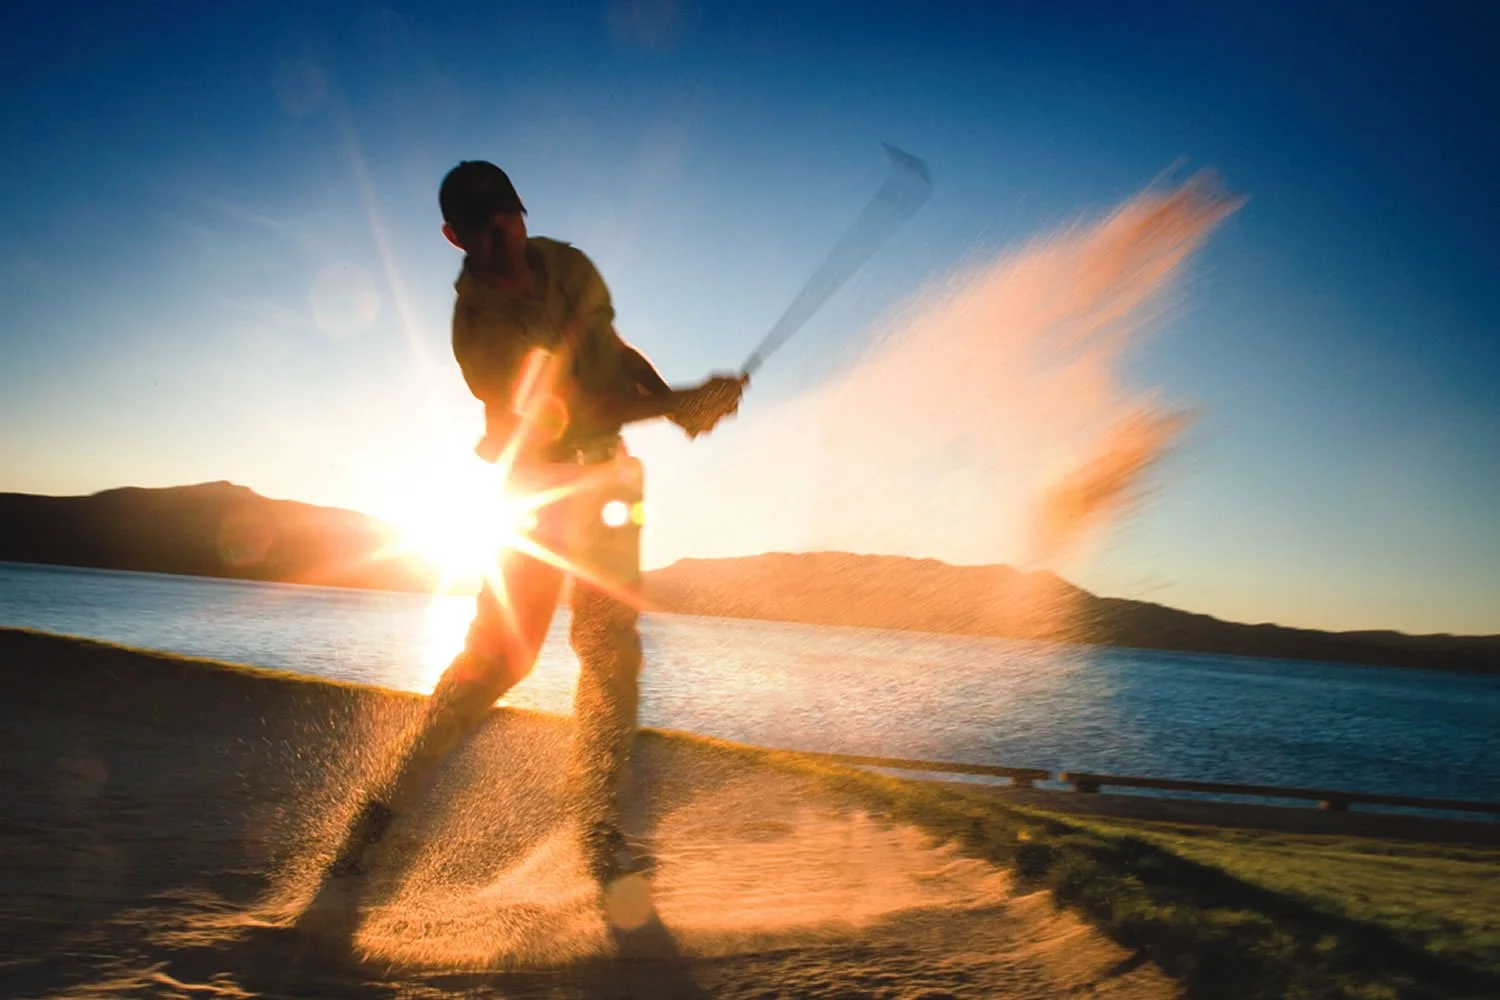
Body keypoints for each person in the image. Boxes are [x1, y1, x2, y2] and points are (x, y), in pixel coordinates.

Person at [329, 160, 744, 887]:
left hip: (610, 484)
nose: (498, 235)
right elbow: (570, 406)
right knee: (501, 661)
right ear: (453, 236)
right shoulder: (477, 330)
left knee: (611, 653)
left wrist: (672, 402)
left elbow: (610, 356)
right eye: (480, 227)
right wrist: (676, 404)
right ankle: (381, 815)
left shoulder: (570, 265)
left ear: (520, 211)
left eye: (506, 217)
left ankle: (599, 837)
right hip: (535, 492)